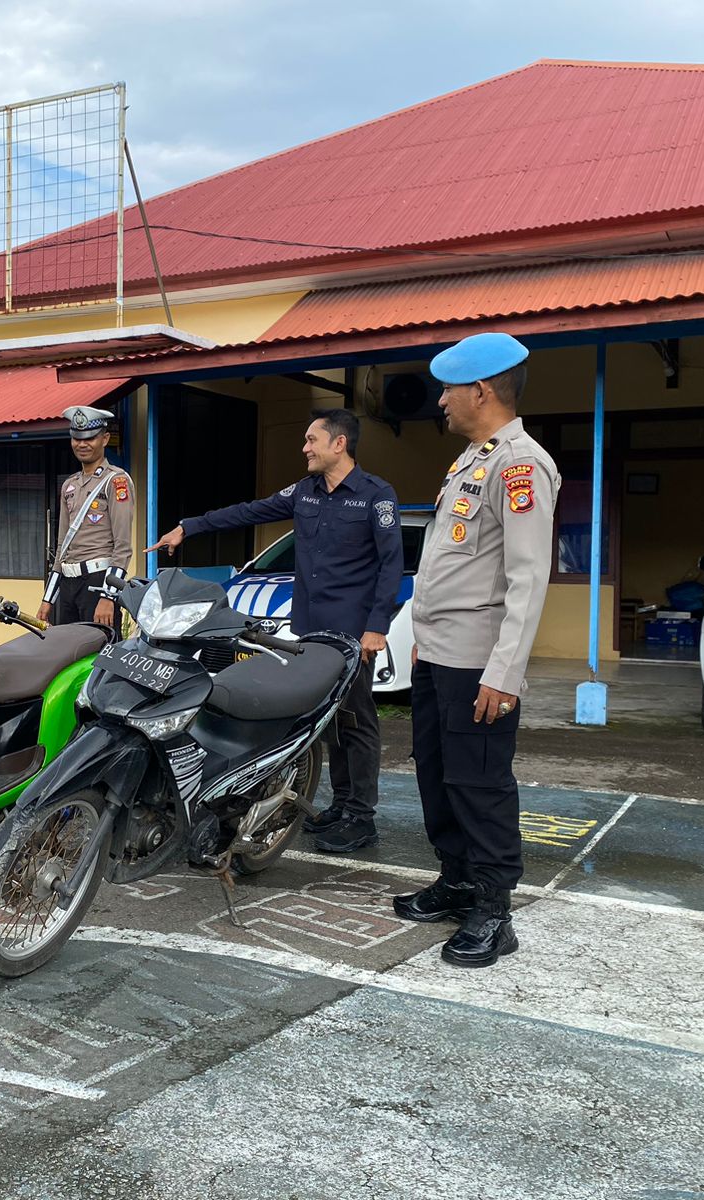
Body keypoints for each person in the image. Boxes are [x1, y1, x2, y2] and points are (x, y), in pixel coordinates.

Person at [146, 410, 403, 853]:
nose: (304, 447)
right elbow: (249, 511)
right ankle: (342, 806)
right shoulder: (305, 492)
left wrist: (377, 627)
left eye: (311, 439)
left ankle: (362, 817)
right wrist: (190, 527)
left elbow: (391, 565)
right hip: (309, 632)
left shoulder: (376, 496)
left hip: (352, 633)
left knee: (357, 720)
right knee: (328, 721)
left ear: (339, 444)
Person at [391, 332, 560, 968]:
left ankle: (493, 907)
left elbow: (527, 577)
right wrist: (422, 646)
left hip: (479, 663)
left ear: (481, 391)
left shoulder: (520, 466)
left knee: (479, 781)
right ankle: (456, 880)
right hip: (440, 655)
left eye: (448, 390)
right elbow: (449, 567)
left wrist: (505, 671)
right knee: (436, 774)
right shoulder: (471, 460)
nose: (440, 401)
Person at [38, 406, 134, 629]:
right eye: (77, 438)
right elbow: (62, 546)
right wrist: (48, 598)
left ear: (105, 439)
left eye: (90, 438)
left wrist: (108, 596)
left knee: (98, 653)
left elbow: (123, 547)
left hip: (97, 581)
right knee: (66, 653)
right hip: (68, 584)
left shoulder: (116, 481)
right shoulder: (69, 485)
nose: (82, 444)